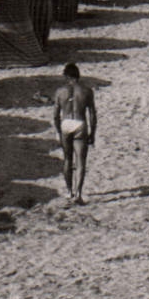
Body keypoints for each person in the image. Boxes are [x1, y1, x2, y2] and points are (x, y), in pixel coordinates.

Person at [51, 63, 97, 206]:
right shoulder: (87, 91)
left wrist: (58, 131)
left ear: (66, 76)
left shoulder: (60, 91)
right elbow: (92, 114)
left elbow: (55, 115)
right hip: (80, 123)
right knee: (81, 161)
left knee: (67, 159)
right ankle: (78, 194)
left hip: (66, 123)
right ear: (78, 76)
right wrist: (92, 133)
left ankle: (69, 191)